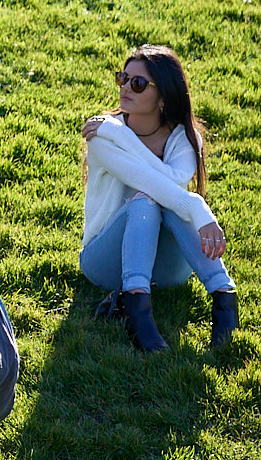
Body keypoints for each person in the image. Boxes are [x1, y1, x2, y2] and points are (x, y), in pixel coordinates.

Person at [77, 45, 238, 352]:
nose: (125, 88)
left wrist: (123, 137)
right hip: (104, 262)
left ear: (163, 97)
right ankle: (138, 312)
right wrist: (198, 207)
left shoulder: (184, 138)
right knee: (145, 199)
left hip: (170, 270)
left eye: (137, 84)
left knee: (166, 197)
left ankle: (224, 298)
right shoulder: (102, 136)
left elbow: (174, 183)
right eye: (123, 78)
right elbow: (152, 184)